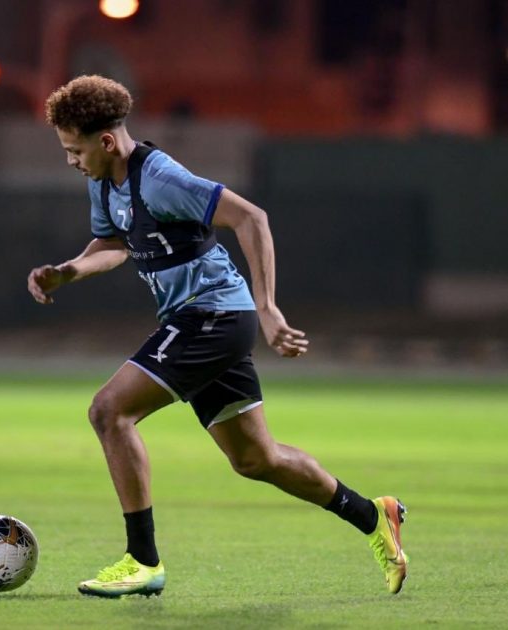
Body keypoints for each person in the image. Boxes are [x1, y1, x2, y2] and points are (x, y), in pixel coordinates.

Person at [27, 75, 408, 598]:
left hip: (212, 316)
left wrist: (268, 309)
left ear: (107, 141)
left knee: (108, 411)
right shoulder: (104, 182)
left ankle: (143, 560)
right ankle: (373, 515)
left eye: (75, 150)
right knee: (256, 459)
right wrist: (68, 271)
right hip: (202, 319)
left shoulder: (159, 178)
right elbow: (115, 243)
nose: (71, 160)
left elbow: (251, 218)